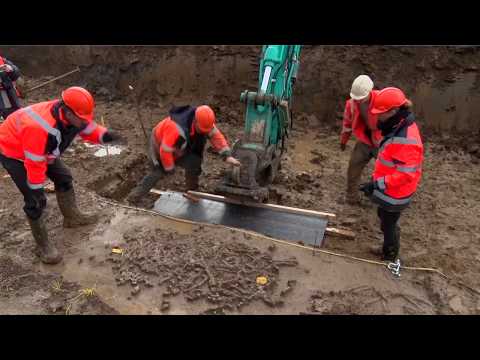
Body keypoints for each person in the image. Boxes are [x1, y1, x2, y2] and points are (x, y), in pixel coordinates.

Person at [0, 86, 123, 264]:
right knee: (35, 200)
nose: (83, 122)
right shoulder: (39, 127)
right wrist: (37, 189)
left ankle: (72, 217)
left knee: (64, 177)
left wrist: (108, 136)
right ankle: (43, 247)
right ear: (67, 110)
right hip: (14, 152)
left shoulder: (72, 117)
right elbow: (35, 163)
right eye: (81, 119)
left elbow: (89, 129)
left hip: (41, 150)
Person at [359, 87, 424, 262]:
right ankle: (390, 242)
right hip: (389, 188)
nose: (378, 117)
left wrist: (376, 184)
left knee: (388, 223)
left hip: (396, 193)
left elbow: (405, 175)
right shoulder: (398, 125)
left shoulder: (406, 139)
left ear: (394, 111)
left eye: (381, 113)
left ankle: (390, 254)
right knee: (385, 217)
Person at [127, 104, 240, 202]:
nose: (205, 132)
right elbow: (165, 150)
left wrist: (227, 155)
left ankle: (192, 191)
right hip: (160, 143)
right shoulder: (176, 128)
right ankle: (134, 197)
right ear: (195, 120)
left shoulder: (205, 122)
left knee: (194, 162)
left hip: (181, 145)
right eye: (202, 130)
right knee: (158, 171)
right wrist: (170, 168)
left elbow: (216, 137)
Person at [340, 75, 383, 205]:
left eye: (361, 99)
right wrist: (343, 140)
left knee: (383, 171)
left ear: (370, 92)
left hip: (382, 142)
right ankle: (352, 197)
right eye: (356, 99)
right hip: (364, 141)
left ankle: (377, 195)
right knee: (353, 167)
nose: (357, 101)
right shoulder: (351, 104)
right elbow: (347, 124)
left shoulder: (382, 100)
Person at [0, 55, 22, 119]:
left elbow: (16, 74)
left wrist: (11, 69)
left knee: (13, 115)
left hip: (6, 93)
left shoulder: (2, 60)